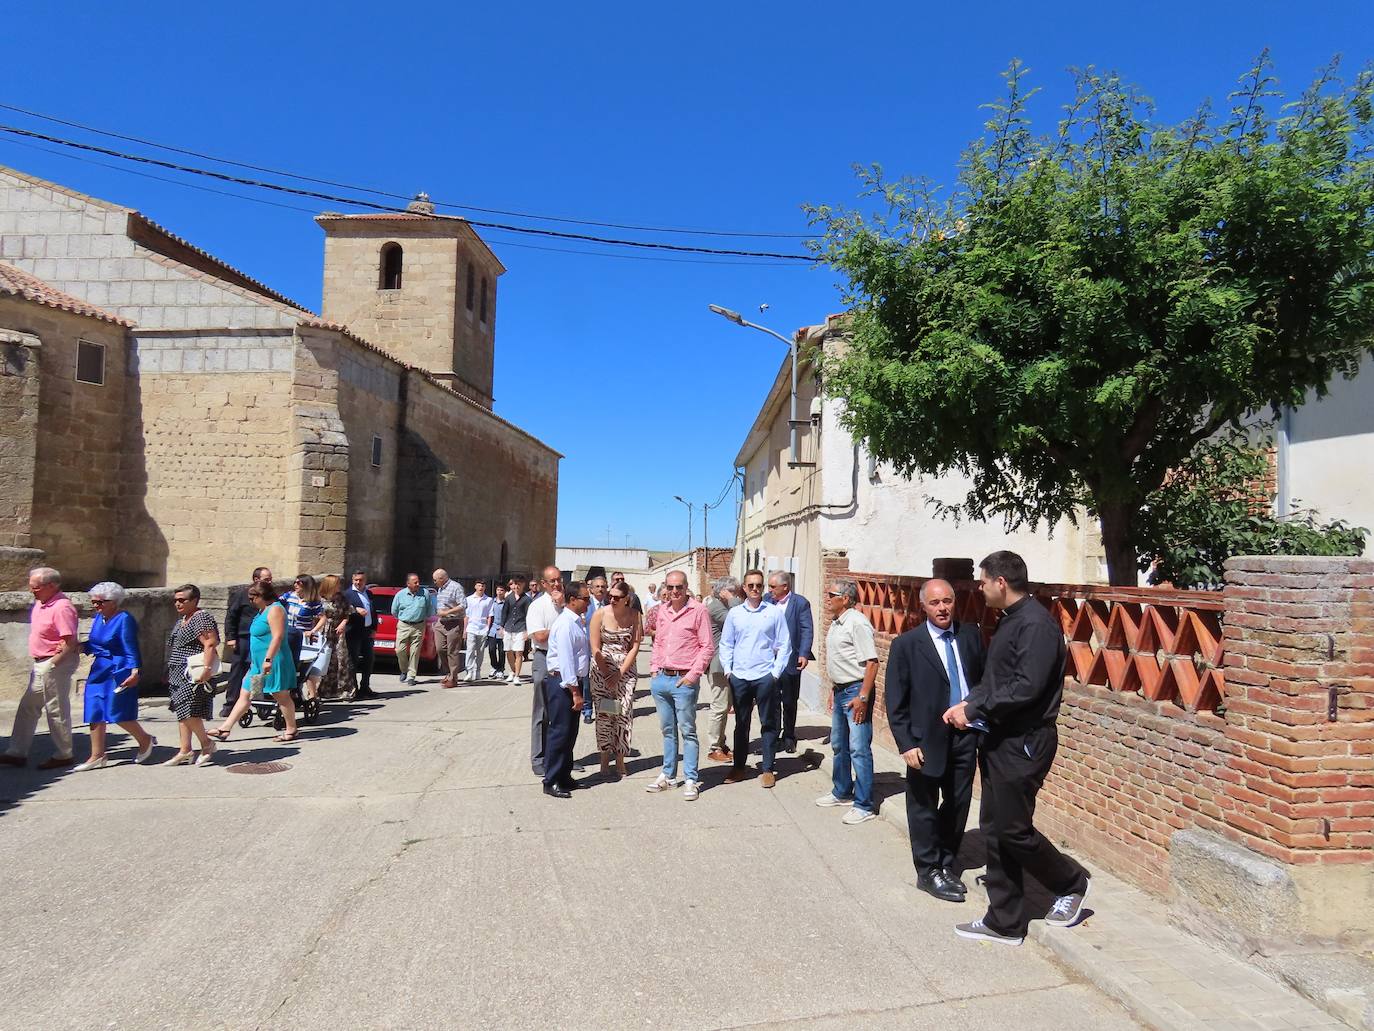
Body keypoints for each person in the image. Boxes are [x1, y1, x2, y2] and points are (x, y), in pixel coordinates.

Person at [945, 551, 1092, 945]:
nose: (980, 586)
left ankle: (1070, 882)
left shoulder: (1036, 626)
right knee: (995, 828)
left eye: (983, 580)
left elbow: (1026, 687)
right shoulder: (1010, 621)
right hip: (998, 737)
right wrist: (969, 704)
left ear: (1000, 582)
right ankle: (1005, 921)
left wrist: (976, 707)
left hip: (1024, 742)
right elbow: (996, 680)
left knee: (1013, 828)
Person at [886, 578, 987, 900]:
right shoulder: (907, 645)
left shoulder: (970, 636)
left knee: (958, 805)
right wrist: (906, 744)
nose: (942, 608)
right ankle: (928, 870)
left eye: (947, 601)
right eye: (935, 603)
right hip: (925, 741)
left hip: (965, 736)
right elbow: (895, 699)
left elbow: (983, 682)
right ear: (924, 606)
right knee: (923, 807)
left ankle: (946, 862)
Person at [1, 567, 81, 770]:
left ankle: (64, 753)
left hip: (55, 663)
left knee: (56, 708)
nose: (32, 591)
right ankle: (17, 752)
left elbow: (70, 642)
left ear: (51, 586)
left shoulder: (62, 607)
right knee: (28, 706)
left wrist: (52, 664)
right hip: (42, 662)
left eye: (36, 587)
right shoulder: (41, 602)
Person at [816, 578, 880, 826]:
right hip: (841, 689)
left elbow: (872, 663)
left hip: (856, 692)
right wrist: (834, 688)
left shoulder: (856, 623)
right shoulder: (837, 622)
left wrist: (862, 696)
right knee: (839, 745)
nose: (827, 598)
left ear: (845, 598)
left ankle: (864, 804)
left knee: (859, 748)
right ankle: (842, 791)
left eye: (831, 594)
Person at [645, 570, 714, 799]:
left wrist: (693, 676)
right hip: (662, 678)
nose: (674, 591)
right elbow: (658, 642)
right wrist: (654, 670)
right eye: (671, 587)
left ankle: (691, 778)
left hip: (683, 679)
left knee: (687, 730)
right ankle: (668, 775)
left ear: (686, 588)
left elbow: (707, 647)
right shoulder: (663, 610)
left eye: (679, 587)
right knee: (667, 730)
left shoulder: (699, 610)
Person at [719, 569, 791, 790]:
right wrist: (728, 670)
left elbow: (784, 644)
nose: (755, 589)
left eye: (759, 585)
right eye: (750, 585)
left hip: (764, 676)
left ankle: (768, 769)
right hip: (740, 676)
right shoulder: (735, 614)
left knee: (768, 723)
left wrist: (775, 674)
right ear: (744, 587)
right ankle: (739, 766)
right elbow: (726, 643)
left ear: (763, 588)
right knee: (741, 724)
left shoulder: (774, 612)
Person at [74, 582, 156, 770]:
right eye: (94, 602)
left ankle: (145, 739)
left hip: (118, 669)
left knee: (116, 712)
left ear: (114, 602)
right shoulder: (99, 618)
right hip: (99, 669)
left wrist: (135, 671)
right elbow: (96, 644)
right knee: (94, 709)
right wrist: (81, 646)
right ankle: (97, 755)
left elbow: (130, 647)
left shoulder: (124, 619)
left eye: (100, 602)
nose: (96, 606)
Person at [211, 579, 299, 743]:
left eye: (253, 598)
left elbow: (277, 637)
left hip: (273, 661)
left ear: (262, 596)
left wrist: (268, 659)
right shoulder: (262, 611)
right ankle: (225, 728)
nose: (250, 602)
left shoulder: (275, 610)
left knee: (280, 695)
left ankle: (291, 729)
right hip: (257, 664)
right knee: (246, 693)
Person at [541, 581, 591, 799]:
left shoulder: (576, 622)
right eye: (585, 599)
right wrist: (575, 692)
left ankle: (564, 775)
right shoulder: (565, 624)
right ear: (573, 600)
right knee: (559, 733)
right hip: (563, 683)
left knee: (570, 733)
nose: (588, 603)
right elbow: (566, 661)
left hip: (572, 682)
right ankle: (550, 779)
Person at [162, 584, 220, 766]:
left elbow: (210, 643)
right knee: (181, 710)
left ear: (194, 600)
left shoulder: (201, 618)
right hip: (177, 671)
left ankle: (207, 743)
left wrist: (206, 669)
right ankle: (185, 750)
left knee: (188, 711)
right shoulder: (183, 619)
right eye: (175, 601)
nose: (177, 604)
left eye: (182, 600)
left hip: (193, 673)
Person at [589, 580, 642, 778]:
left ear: (627, 599)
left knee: (623, 713)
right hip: (602, 669)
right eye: (610, 596)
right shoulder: (600, 614)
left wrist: (620, 673)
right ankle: (604, 757)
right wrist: (607, 673)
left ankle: (620, 757)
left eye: (617, 597)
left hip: (625, 672)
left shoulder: (634, 615)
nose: (612, 599)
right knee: (605, 714)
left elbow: (635, 645)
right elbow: (594, 646)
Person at [765, 571, 815, 754]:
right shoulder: (766, 601)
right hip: (770, 659)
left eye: (772, 586)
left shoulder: (800, 603)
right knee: (773, 699)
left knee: (789, 699)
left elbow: (807, 629)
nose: (769, 590)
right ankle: (775, 734)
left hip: (790, 659)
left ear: (785, 586)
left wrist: (803, 653)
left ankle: (789, 735)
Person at [526, 565, 564, 777]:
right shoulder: (537, 606)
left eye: (559, 580)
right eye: (552, 581)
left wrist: (564, 608)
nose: (557, 584)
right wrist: (562, 628)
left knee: (562, 712)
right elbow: (540, 636)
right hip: (544, 657)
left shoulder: (566, 605)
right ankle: (539, 758)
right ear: (544, 584)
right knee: (542, 711)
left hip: (564, 661)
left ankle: (560, 757)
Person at [222, 566, 271, 717]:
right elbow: (232, 616)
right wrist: (231, 637)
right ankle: (231, 704)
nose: (270, 581)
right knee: (238, 670)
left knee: (261, 671)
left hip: (263, 639)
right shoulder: (242, 595)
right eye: (266, 579)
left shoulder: (270, 596)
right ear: (256, 580)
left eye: (270, 579)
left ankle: (260, 702)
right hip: (244, 638)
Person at [703, 576, 739, 763]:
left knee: (724, 706)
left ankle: (721, 744)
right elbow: (738, 619)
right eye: (733, 592)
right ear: (723, 591)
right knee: (719, 706)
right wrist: (732, 600)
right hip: (718, 664)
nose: (737, 596)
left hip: (726, 664)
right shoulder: (716, 607)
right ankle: (714, 747)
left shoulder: (723, 605)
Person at [306, 574, 355, 701]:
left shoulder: (341, 598)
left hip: (337, 633)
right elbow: (314, 616)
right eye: (337, 584)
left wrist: (343, 623)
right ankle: (319, 691)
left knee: (341, 660)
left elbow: (347, 613)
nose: (339, 586)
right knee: (322, 661)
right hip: (323, 632)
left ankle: (343, 690)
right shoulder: (319, 599)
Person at [391, 573, 433, 686]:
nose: (418, 584)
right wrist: (404, 619)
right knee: (400, 650)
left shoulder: (425, 593)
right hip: (404, 625)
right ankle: (404, 670)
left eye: (418, 582)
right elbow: (394, 611)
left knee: (415, 652)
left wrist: (423, 619)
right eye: (415, 582)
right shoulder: (400, 595)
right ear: (408, 584)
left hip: (419, 626)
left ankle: (411, 676)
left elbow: (429, 609)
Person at [344, 570, 378, 698]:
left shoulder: (368, 593)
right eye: (356, 580)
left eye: (361, 580)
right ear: (352, 580)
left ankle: (365, 687)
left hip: (367, 632)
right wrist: (355, 611)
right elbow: (342, 612)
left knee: (369, 660)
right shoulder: (347, 595)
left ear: (365, 580)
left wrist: (374, 628)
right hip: (353, 632)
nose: (358, 582)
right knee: (353, 661)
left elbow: (373, 611)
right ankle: (354, 689)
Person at [581, 576, 609, 723]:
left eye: (603, 586)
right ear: (591, 589)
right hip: (587, 648)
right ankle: (587, 710)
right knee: (587, 682)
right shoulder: (586, 605)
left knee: (605, 681)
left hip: (605, 649)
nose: (600, 589)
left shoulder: (609, 605)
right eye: (597, 586)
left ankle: (604, 711)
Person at [433, 568, 466, 689]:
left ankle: (453, 678)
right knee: (440, 648)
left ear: (442, 579)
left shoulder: (456, 587)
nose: (434, 582)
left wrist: (448, 612)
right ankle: (449, 672)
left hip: (454, 622)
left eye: (435, 580)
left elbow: (463, 605)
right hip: (441, 623)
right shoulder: (440, 588)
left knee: (452, 651)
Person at [281, 574, 322, 666]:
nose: (295, 585)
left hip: (300, 636)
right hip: (286, 634)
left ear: (306, 585)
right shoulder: (288, 596)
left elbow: (322, 618)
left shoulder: (313, 602)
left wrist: (312, 631)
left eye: (298, 583)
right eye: (294, 582)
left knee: (295, 663)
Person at [501, 575, 532, 686]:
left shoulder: (527, 599)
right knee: (508, 651)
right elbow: (504, 612)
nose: (517, 586)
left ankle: (517, 676)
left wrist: (528, 630)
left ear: (523, 585)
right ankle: (512, 671)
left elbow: (529, 615)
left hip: (520, 627)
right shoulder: (509, 598)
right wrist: (502, 626)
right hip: (509, 627)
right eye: (515, 584)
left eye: (519, 584)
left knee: (518, 652)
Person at [463, 580, 495, 683]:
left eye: (482, 586)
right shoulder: (469, 599)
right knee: (470, 650)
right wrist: (465, 630)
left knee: (480, 651)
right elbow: (466, 616)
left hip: (482, 628)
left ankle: (477, 671)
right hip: (471, 627)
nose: (481, 587)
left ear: (485, 587)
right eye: (479, 585)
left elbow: (490, 615)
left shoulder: (489, 600)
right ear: (475, 587)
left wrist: (487, 628)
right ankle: (469, 671)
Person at [487, 583, 508, 678]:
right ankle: (494, 667)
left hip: (503, 629)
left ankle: (501, 669)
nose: (499, 592)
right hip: (492, 629)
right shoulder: (491, 602)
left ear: (505, 592)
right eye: (498, 590)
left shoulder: (507, 603)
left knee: (501, 651)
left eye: (502, 590)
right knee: (491, 649)